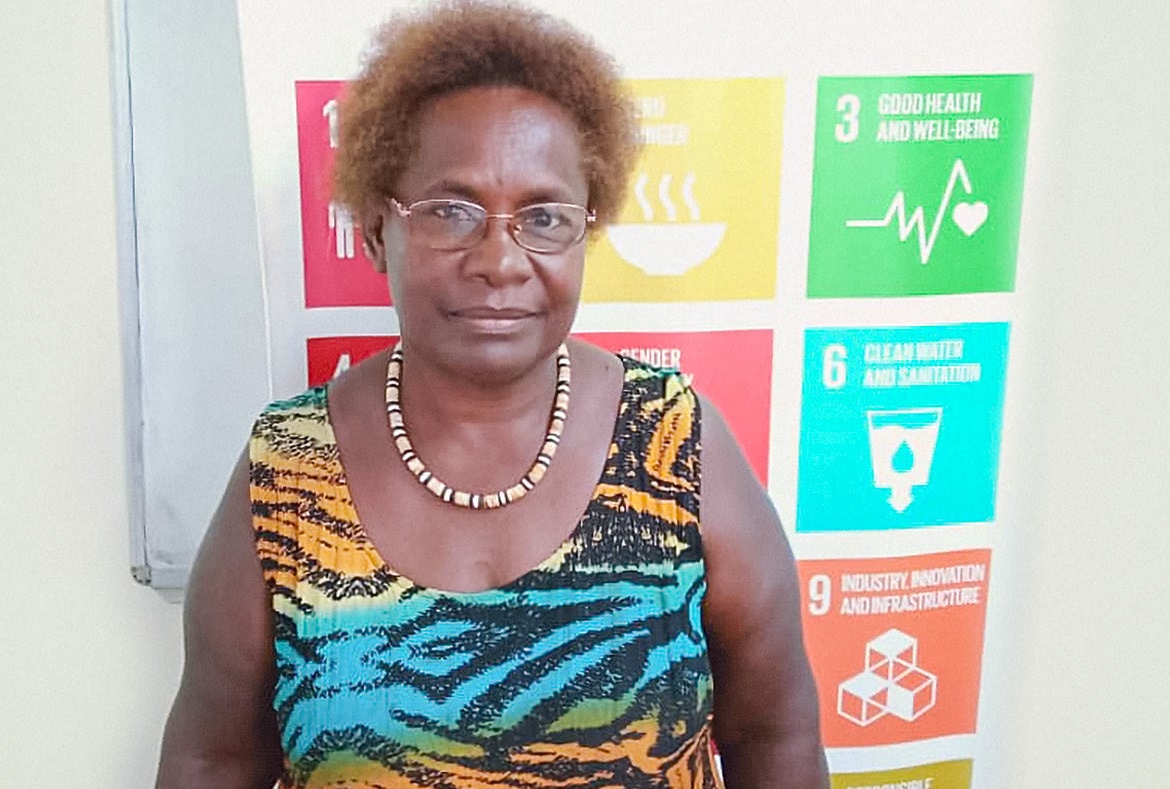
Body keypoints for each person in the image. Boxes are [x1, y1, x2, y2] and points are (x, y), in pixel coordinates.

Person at [157, 2, 826, 786]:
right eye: (451, 211)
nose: (500, 260)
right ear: (377, 229)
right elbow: (214, 758)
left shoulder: (674, 444)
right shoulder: (291, 471)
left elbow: (775, 735)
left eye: (543, 217)